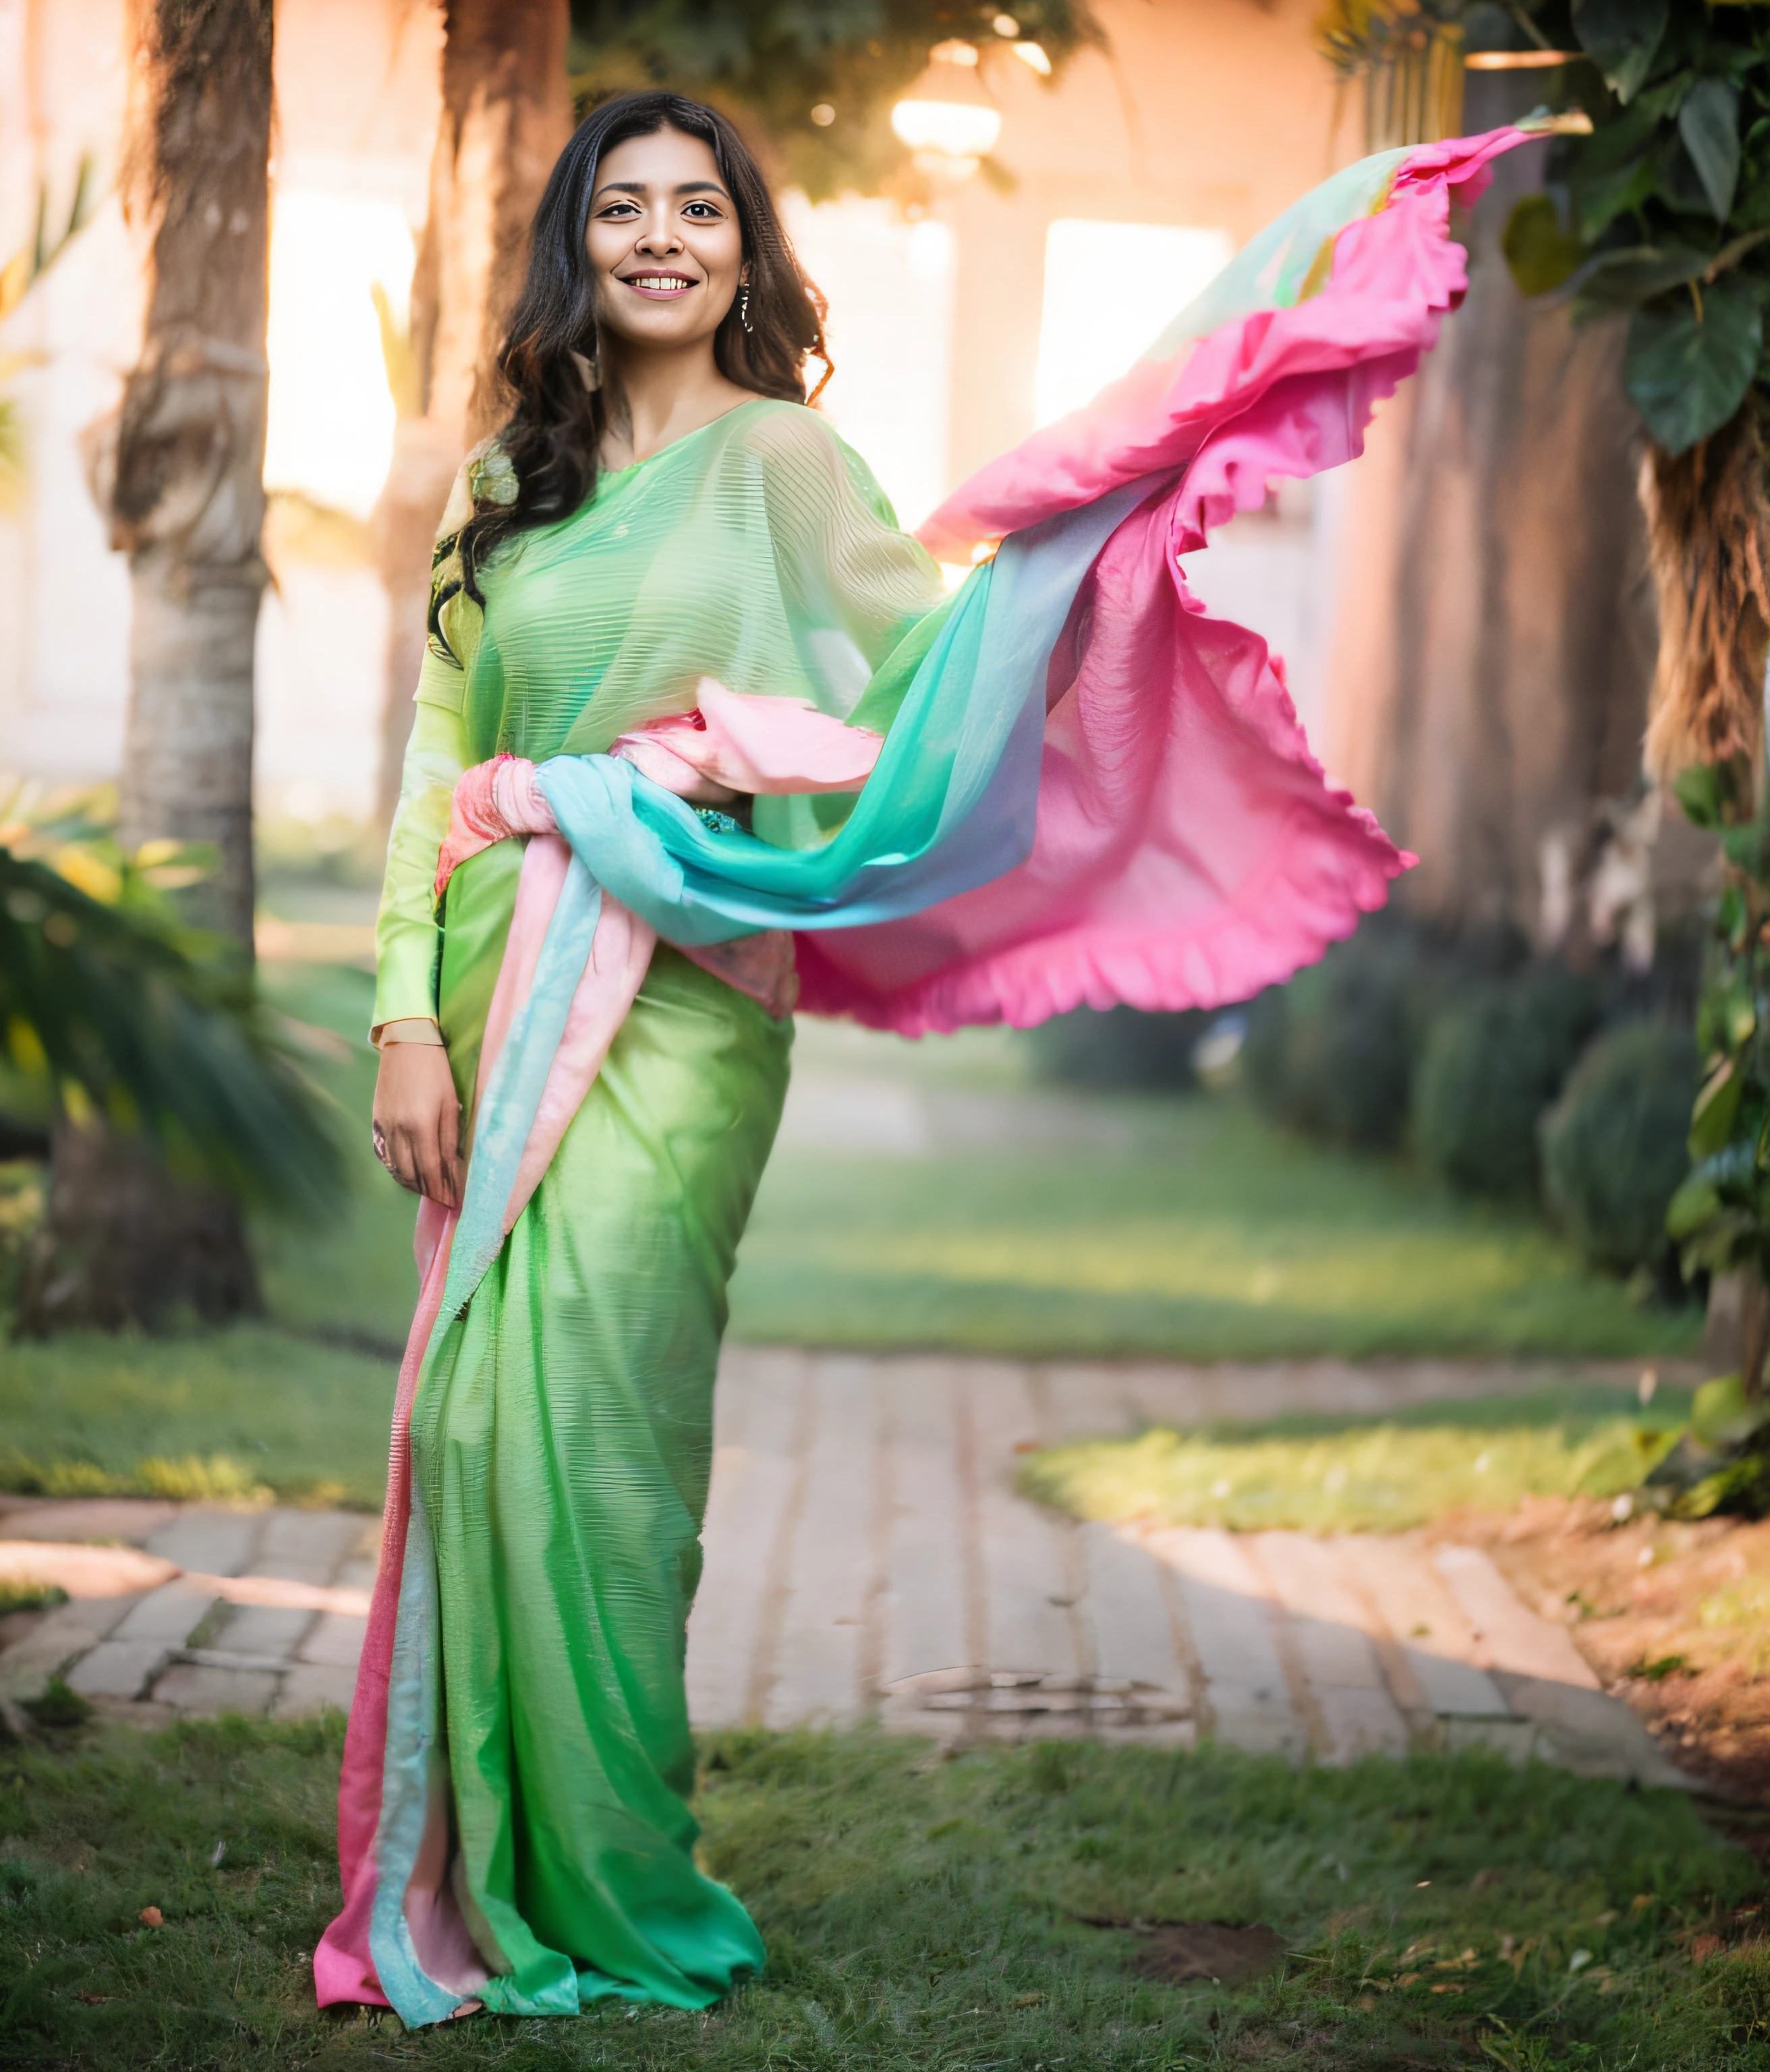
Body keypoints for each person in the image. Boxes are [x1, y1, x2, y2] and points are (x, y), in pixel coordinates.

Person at [317, 88, 1526, 2023]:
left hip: (689, 987)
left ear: (742, 247)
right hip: (490, 970)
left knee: (606, 1441)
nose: (657, 240)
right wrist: (397, 1015)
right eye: (619, 208)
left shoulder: (793, 464)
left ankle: (618, 1888)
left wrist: (1078, 552)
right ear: (574, 243)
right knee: (469, 1422)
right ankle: (480, 1865)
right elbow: (429, 767)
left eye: (695, 210)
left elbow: (909, 684)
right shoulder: (503, 483)